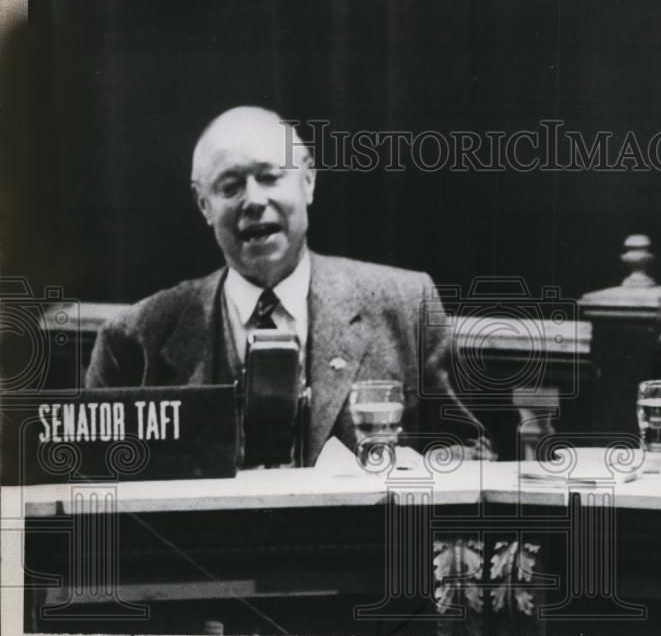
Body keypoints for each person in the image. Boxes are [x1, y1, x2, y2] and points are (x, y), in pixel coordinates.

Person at [86, 105, 493, 466]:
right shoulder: (134, 340)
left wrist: (401, 470)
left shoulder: (404, 305)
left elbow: (468, 455)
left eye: (270, 176)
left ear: (309, 182)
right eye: (230, 186)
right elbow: (93, 486)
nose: (253, 200)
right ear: (203, 205)